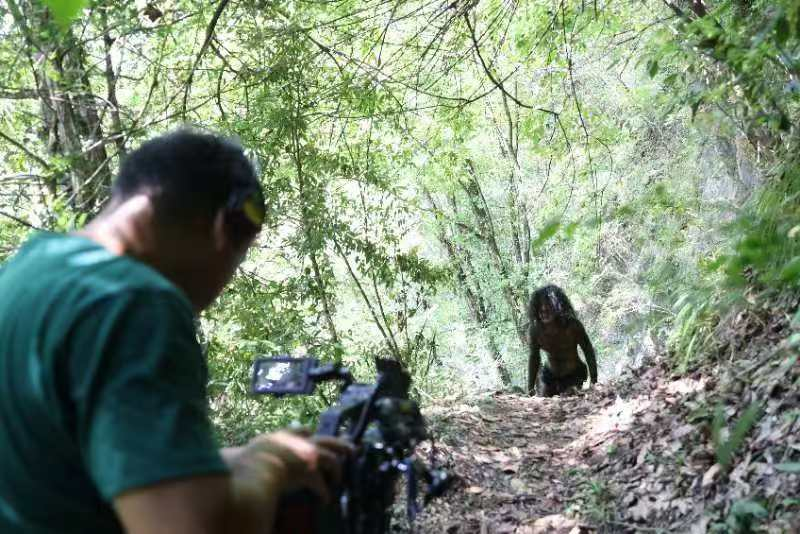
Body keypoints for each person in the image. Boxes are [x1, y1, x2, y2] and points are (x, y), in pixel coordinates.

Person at [0, 130, 349, 534]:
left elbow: (73, 469)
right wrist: (266, 465)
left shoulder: (30, 269)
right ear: (221, 229)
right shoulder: (132, 303)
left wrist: (248, 455)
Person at [527, 284, 598, 397]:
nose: (544, 309)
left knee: (569, 400)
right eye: (540, 306)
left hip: (574, 375)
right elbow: (534, 357)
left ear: (558, 306)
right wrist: (530, 388)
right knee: (546, 404)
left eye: (548, 305)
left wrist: (594, 380)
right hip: (549, 377)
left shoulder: (572, 326)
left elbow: (588, 350)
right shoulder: (536, 330)